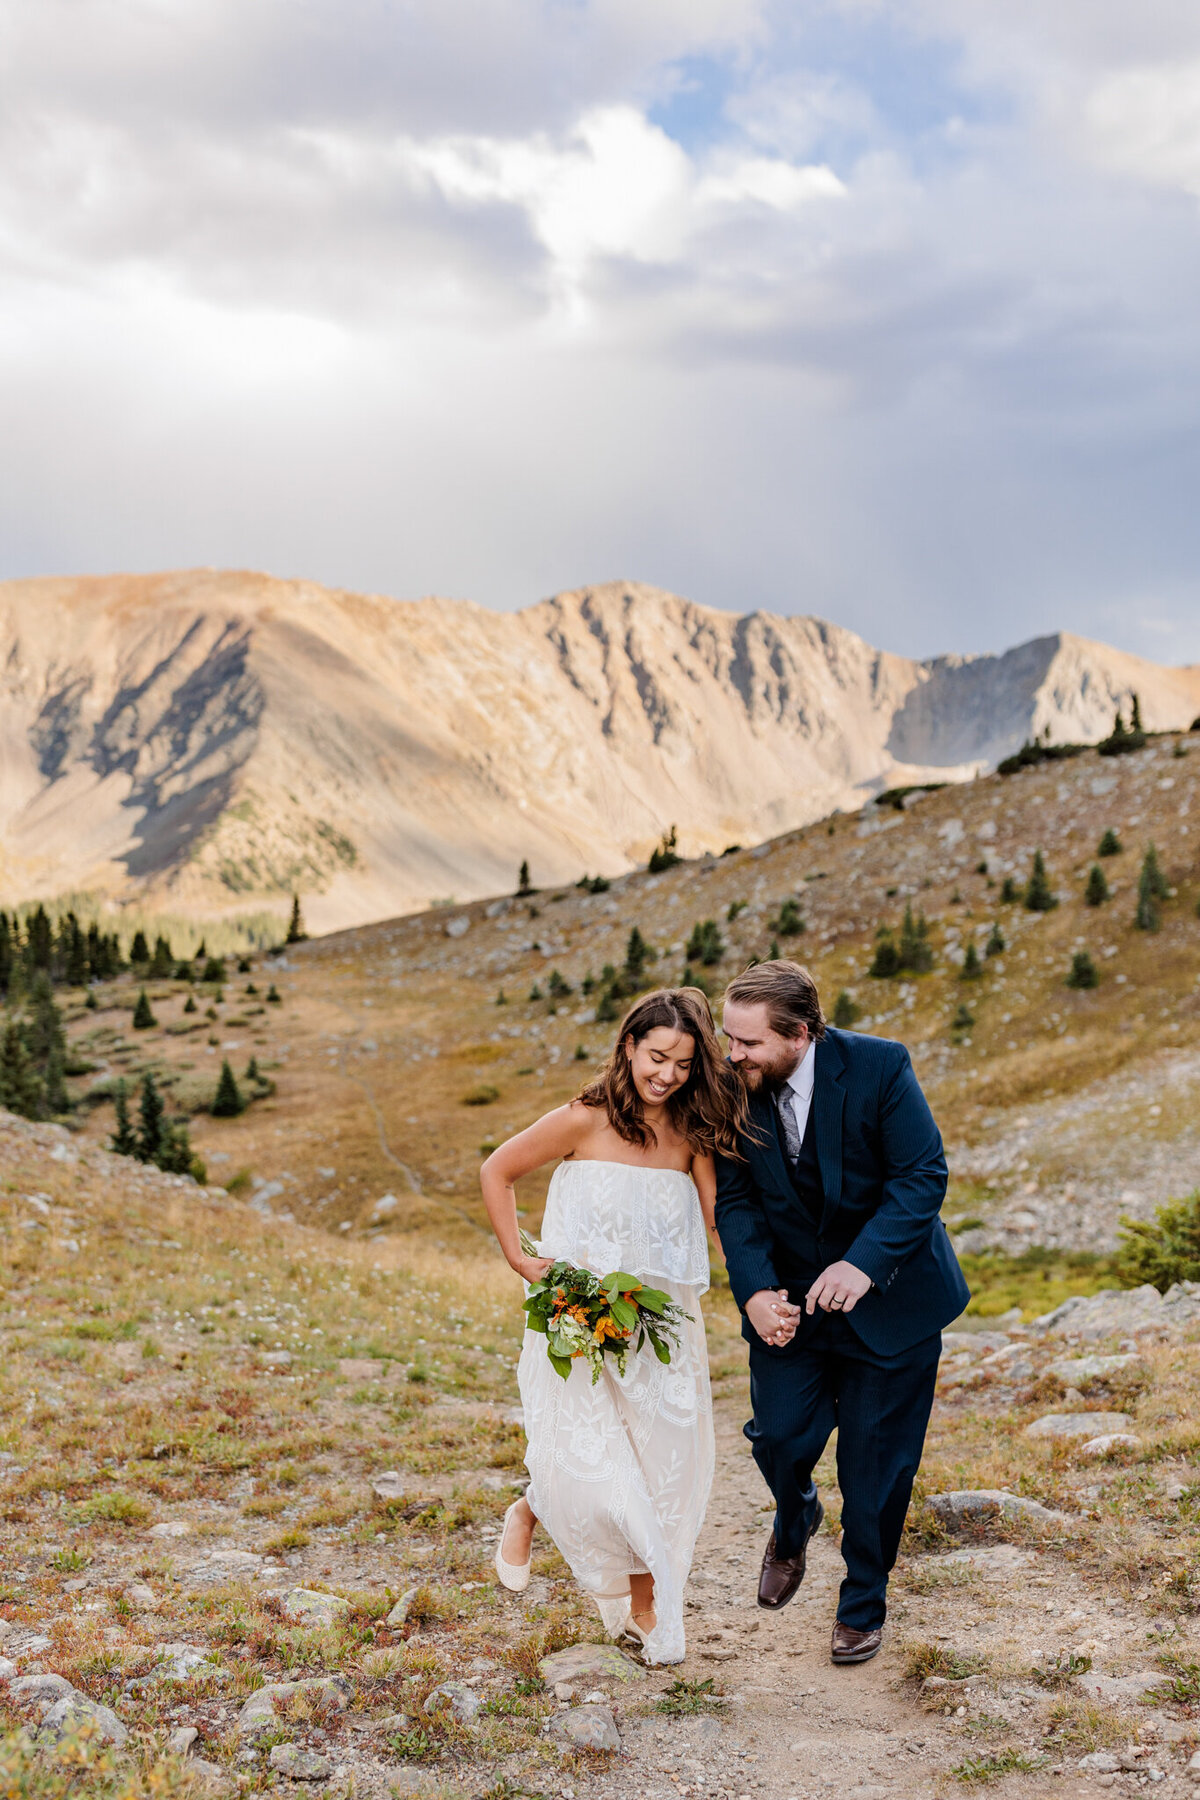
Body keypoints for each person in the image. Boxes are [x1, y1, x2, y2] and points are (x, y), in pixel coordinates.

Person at [480, 987, 747, 1665]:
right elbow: (498, 1170)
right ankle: (542, 1513)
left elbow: (721, 1227)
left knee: (660, 1465)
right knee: (594, 1456)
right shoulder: (583, 1119)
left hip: (659, 1329)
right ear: (629, 1046)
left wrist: (761, 1291)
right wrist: (520, 1257)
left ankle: (639, 1602)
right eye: (658, 1057)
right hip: (578, 1316)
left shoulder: (692, 1137)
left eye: (684, 1065)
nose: (668, 1074)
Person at [715, 960, 969, 1666]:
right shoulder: (733, 1088)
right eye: (728, 1039)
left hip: (891, 1303)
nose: (732, 1055)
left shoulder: (882, 1067)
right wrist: (757, 1291)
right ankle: (794, 1516)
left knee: (875, 1469)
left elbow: (923, 1177)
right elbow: (735, 1201)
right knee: (779, 1437)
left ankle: (862, 1602)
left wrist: (863, 1264)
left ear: (800, 1033)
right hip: (788, 1304)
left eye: (748, 1043)